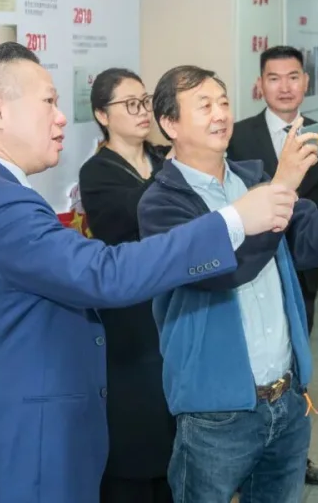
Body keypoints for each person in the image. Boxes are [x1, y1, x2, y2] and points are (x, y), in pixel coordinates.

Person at [0, 43, 300, 503]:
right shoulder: (1, 204)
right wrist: (232, 221)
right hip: (18, 451)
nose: (61, 117)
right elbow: (105, 274)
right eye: (48, 102)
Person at [136, 65, 318, 502]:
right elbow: (226, 271)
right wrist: (283, 185)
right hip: (215, 413)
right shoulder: (161, 204)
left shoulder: (253, 179)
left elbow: (312, 243)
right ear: (170, 124)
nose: (221, 114)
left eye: (223, 102)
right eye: (204, 105)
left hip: (287, 398)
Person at [227, 45, 318, 486]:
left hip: (300, 271)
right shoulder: (236, 135)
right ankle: (243, 460)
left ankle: (294, 455)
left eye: (293, 77)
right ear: (260, 85)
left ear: (306, 82)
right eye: (274, 78)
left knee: (296, 362)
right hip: (247, 270)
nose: (285, 87)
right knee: (253, 362)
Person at [78, 68, 175, 503]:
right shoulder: (96, 172)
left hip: (173, 302)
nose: (143, 111)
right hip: (129, 315)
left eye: (146, 101)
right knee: (136, 429)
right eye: (130, 104)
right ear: (103, 115)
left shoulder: (163, 158)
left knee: (175, 427)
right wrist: (178, 169)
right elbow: (137, 212)